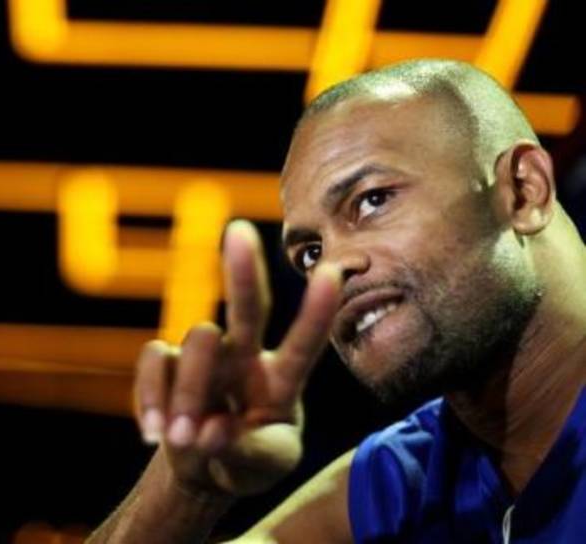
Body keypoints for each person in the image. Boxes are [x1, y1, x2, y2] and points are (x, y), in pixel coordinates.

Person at [86, 59, 586, 543]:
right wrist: (186, 488)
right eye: (310, 252)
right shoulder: (402, 480)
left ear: (524, 191)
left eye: (372, 200)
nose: (332, 267)